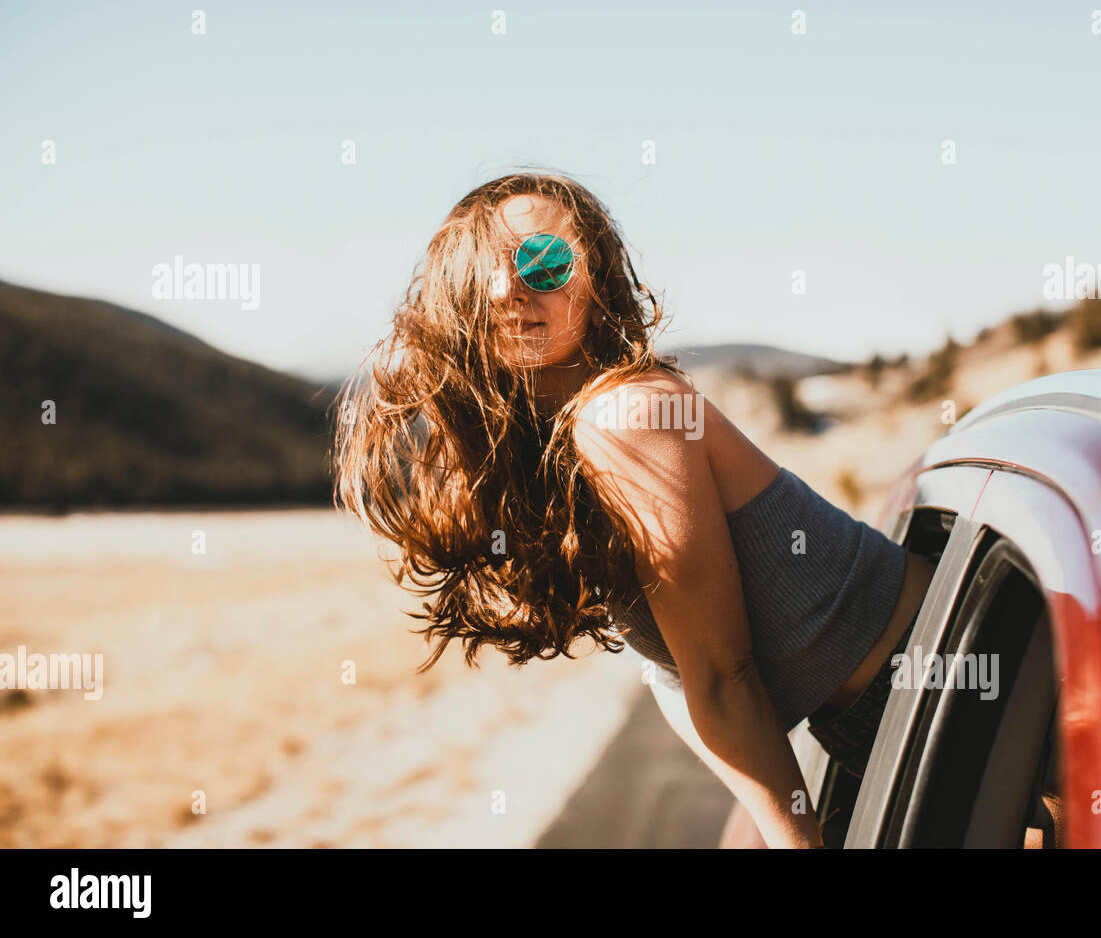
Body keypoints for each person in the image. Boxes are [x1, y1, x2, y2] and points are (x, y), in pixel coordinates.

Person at [334, 170, 936, 849]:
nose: (508, 289)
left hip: (950, 675)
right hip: (886, 711)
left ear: (596, 280)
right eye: (483, 270)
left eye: (542, 260)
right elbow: (677, 674)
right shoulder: (562, 441)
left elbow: (723, 674)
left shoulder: (625, 413)